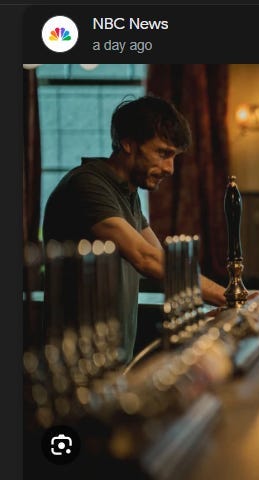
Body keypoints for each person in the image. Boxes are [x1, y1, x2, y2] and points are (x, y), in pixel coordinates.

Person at [42, 95, 227, 363]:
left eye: (173, 157)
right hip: (76, 364)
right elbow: (146, 258)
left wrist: (208, 304)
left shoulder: (127, 193)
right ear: (127, 143)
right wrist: (227, 296)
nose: (170, 168)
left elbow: (164, 258)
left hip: (112, 360)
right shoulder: (87, 185)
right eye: (162, 153)